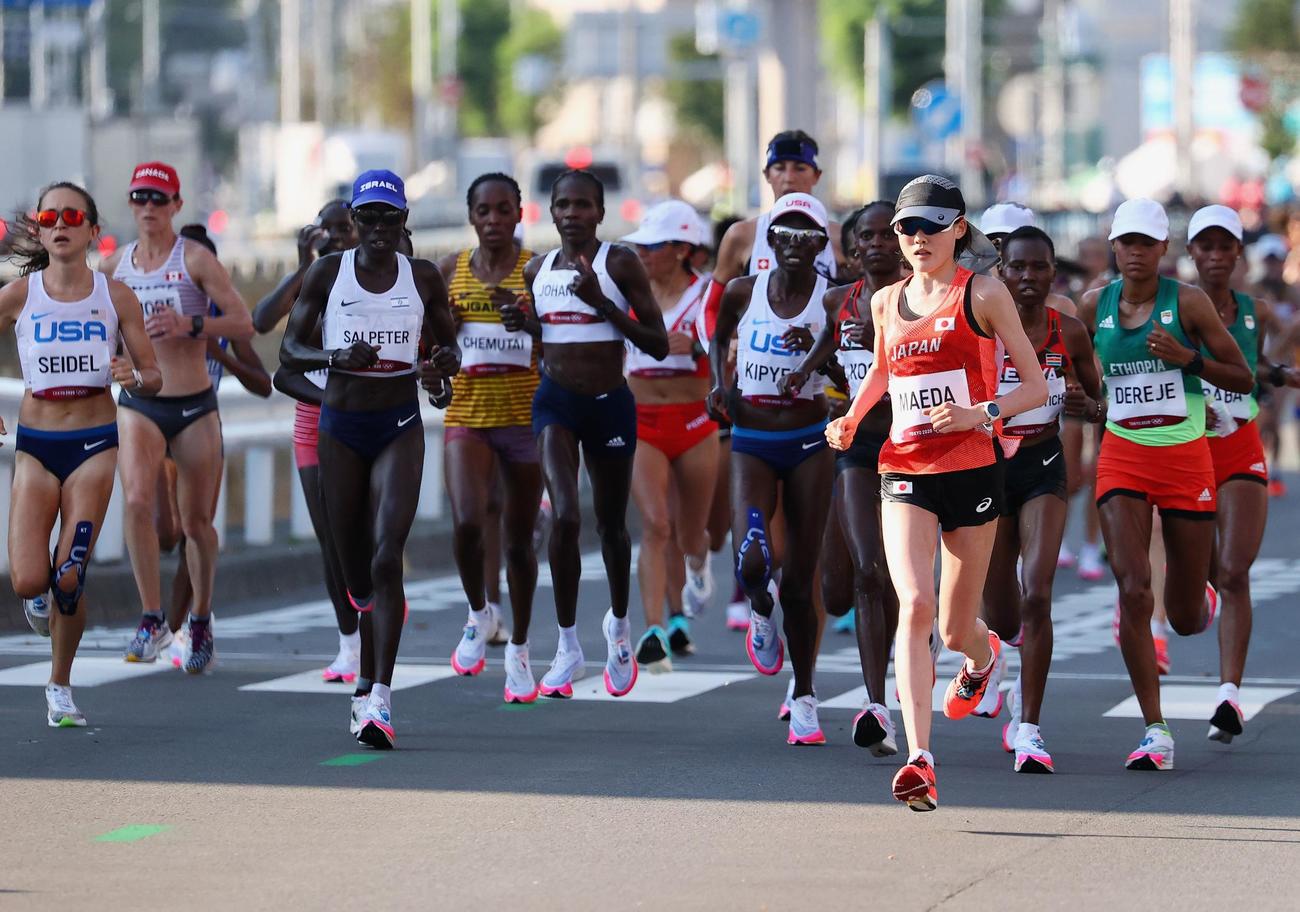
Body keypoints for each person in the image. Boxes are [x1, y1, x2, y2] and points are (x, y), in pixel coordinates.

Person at [825, 175, 1048, 810]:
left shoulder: (983, 293)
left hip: (973, 469)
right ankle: (920, 758)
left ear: (958, 230)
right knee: (915, 603)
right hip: (905, 467)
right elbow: (882, 370)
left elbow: (1035, 387)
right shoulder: (885, 301)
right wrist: (852, 417)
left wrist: (982, 412)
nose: (917, 238)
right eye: (907, 228)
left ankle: (983, 657)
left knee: (954, 629)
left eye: (931, 227)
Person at [281, 170, 459, 748]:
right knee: (356, 570)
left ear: (404, 219)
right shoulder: (327, 273)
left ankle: (378, 695)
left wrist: (442, 366)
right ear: (354, 220)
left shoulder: (422, 276)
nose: (378, 226)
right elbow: (289, 351)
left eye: (389, 216)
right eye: (368, 216)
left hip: (398, 427)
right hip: (341, 429)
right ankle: (363, 640)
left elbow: (449, 348)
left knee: (387, 557)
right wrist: (336, 356)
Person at [1077, 198, 1253, 770]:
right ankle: (1155, 729)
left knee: (1185, 618)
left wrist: (1189, 359)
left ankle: (1198, 595)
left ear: (1162, 249)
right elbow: (1072, 368)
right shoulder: (1093, 306)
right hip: (1123, 457)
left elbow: (1242, 376)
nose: (1135, 252)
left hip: (1184, 460)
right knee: (1132, 589)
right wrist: (1089, 403)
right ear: (1114, 246)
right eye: (1126, 242)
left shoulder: (1189, 303)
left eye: (1145, 243)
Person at [2, 182, 162, 725]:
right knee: (29, 579)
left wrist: (134, 374)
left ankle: (60, 686)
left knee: (69, 574)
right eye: (50, 217)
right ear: (39, 229)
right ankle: (38, 598)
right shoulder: (20, 294)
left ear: (92, 230)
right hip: (36, 446)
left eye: (72, 216)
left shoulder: (115, 297)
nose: (60, 225)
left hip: (93, 444)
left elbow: (154, 376)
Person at [521, 169, 668, 699]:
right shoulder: (537, 269)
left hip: (609, 404)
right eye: (563, 204)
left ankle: (619, 627)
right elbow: (550, 336)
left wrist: (602, 302)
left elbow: (657, 342)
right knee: (564, 515)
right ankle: (567, 646)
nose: (572, 214)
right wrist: (524, 323)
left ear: (601, 213)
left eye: (583, 205)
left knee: (610, 525)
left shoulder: (619, 263)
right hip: (555, 403)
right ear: (552, 211)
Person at [103, 162, 253, 674]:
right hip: (140, 402)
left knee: (195, 524)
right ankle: (152, 617)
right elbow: (91, 321)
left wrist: (192, 324)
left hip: (192, 405)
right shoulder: (114, 266)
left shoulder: (194, 259)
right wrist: (113, 359)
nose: (148, 207)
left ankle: (201, 619)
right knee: (136, 501)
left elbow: (244, 322)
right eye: (139, 197)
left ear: (176, 205)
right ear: (130, 204)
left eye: (158, 198)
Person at [708, 192, 835, 745]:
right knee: (752, 559)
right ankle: (760, 608)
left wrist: (817, 353)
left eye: (807, 235)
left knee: (802, 584)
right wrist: (719, 385)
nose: (794, 243)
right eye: (785, 232)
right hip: (753, 437)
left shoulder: (832, 300)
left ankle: (804, 696)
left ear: (822, 244)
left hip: (809, 439)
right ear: (770, 239)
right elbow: (717, 336)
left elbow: (850, 369)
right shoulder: (744, 290)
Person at [980, 226, 1103, 773]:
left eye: (1038, 267)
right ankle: (999, 652)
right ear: (1001, 272)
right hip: (988, 471)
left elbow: (1098, 402)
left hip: (1043, 466)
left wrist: (1085, 405)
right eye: (1018, 267)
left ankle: (1029, 726)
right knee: (1002, 612)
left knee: (1038, 591)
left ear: (1054, 273)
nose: (1027, 277)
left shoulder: (1068, 331)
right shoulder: (981, 328)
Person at [1187, 205, 1300, 742]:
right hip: (1185, 452)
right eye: (1205, 247)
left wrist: (1279, 371)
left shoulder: (1254, 310)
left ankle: (1229, 694)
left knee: (1235, 572)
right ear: (1191, 253)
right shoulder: (1173, 308)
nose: (1215, 256)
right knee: (1202, 579)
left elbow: (1252, 362)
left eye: (1224, 247)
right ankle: (1201, 589)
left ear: (1238, 254)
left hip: (1240, 448)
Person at [800, 201, 904, 754]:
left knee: (885, 576)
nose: (879, 243)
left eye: (890, 234)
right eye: (869, 236)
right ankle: (878, 698)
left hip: (911, 448)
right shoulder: (838, 300)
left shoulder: (923, 299)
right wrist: (810, 367)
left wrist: (881, 346)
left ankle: (879, 703)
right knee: (851, 580)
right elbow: (831, 352)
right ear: (853, 247)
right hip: (857, 446)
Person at [437, 173, 545, 703]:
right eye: (484, 211)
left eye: (504, 210)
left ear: (519, 213)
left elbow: (561, 342)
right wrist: (447, 328)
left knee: (519, 543)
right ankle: (479, 612)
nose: (494, 220)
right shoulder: (449, 270)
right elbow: (430, 347)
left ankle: (519, 648)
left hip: (524, 420)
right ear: (471, 216)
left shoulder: (538, 270)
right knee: (466, 521)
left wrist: (529, 322)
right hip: (467, 416)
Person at [255, 200, 362, 682]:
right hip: (313, 424)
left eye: (345, 227)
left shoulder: (378, 277)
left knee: (364, 536)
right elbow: (262, 321)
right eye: (327, 229)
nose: (336, 236)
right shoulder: (313, 281)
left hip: (367, 420)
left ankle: (374, 605)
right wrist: (303, 266)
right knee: (330, 542)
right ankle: (349, 643)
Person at [157, 225, 272, 665]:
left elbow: (263, 384)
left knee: (194, 528)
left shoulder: (223, 317)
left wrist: (217, 352)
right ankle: (168, 624)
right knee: (166, 532)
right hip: (156, 427)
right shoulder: (153, 306)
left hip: (203, 428)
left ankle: (178, 629)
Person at [622, 200, 718, 672]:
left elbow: (731, 346)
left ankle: (698, 565)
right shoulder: (627, 291)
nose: (641, 254)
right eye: (639, 246)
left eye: (652, 247)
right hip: (642, 421)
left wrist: (698, 346)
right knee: (656, 525)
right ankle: (656, 629)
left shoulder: (708, 293)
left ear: (681, 249)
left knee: (690, 533)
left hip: (696, 423)